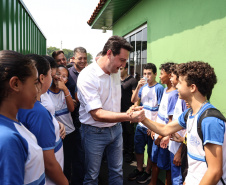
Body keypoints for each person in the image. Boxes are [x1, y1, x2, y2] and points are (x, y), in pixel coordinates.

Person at [133, 61, 226, 185]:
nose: (176, 86)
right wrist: (141, 118)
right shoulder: (190, 114)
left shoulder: (210, 120)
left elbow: (214, 172)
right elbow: (165, 129)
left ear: (192, 87)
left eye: (180, 83)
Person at [77, 35, 145, 185]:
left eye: (125, 61)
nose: (123, 65)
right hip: (94, 132)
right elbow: (97, 114)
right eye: (121, 60)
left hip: (116, 129)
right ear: (109, 53)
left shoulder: (114, 72)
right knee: (92, 175)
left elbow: (113, 103)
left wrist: (130, 109)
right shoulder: (87, 76)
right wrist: (129, 117)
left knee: (117, 171)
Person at [17, 54, 68, 185]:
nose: (53, 78)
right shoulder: (37, 111)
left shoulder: (25, 104)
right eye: (51, 74)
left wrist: (55, 124)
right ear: (41, 78)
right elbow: (49, 162)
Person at [0, 50, 45, 185]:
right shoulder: (8, 139)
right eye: (35, 82)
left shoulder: (12, 122)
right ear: (16, 84)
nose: (38, 89)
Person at [128, 63, 164, 183]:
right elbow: (133, 100)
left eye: (149, 74)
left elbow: (161, 109)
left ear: (155, 74)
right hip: (140, 125)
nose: (147, 76)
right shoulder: (142, 87)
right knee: (138, 149)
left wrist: (154, 127)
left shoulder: (159, 88)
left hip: (152, 126)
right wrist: (138, 87)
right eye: (144, 74)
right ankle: (139, 169)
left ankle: (147, 171)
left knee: (150, 152)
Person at [150, 62, 178, 185]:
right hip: (158, 133)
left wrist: (161, 136)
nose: (160, 77)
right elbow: (160, 112)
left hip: (164, 137)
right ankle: (153, 182)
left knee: (166, 166)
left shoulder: (174, 95)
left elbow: (171, 120)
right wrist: (154, 128)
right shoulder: (166, 90)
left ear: (170, 75)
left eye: (162, 74)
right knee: (154, 160)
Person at [48, 65, 76, 183]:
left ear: (67, 81)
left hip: (69, 133)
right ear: (53, 74)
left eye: (64, 76)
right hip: (56, 134)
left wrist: (65, 90)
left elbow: (71, 109)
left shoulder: (65, 91)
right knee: (57, 164)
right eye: (58, 74)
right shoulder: (46, 93)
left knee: (68, 163)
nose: (60, 78)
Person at [65, 46, 87, 185]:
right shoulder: (67, 73)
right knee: (75, 156)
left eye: (85, 58)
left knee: (86, 154)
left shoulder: (90, 72)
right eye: (80, 58)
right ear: (73, 59)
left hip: (88, 119)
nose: (83, 61)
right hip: (71, 120)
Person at [168, 64, 187, 185]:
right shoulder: (178, 97)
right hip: (174, 146)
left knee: (178, 179)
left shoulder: (186, 102)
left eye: (175, 78)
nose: (171, 80)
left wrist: (180, 151)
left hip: (179, 150)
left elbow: (188, 130)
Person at [120, 62, 138, 163]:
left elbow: (136, 98)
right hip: (117, 112)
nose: (119, 71)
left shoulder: (132, 81)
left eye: (121, 69)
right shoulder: (115, 80)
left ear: (126, 69)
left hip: (128, 112)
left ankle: (129, 154)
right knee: (120, 133)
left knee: (129, 133)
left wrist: (134, 109)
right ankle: (122, 152)